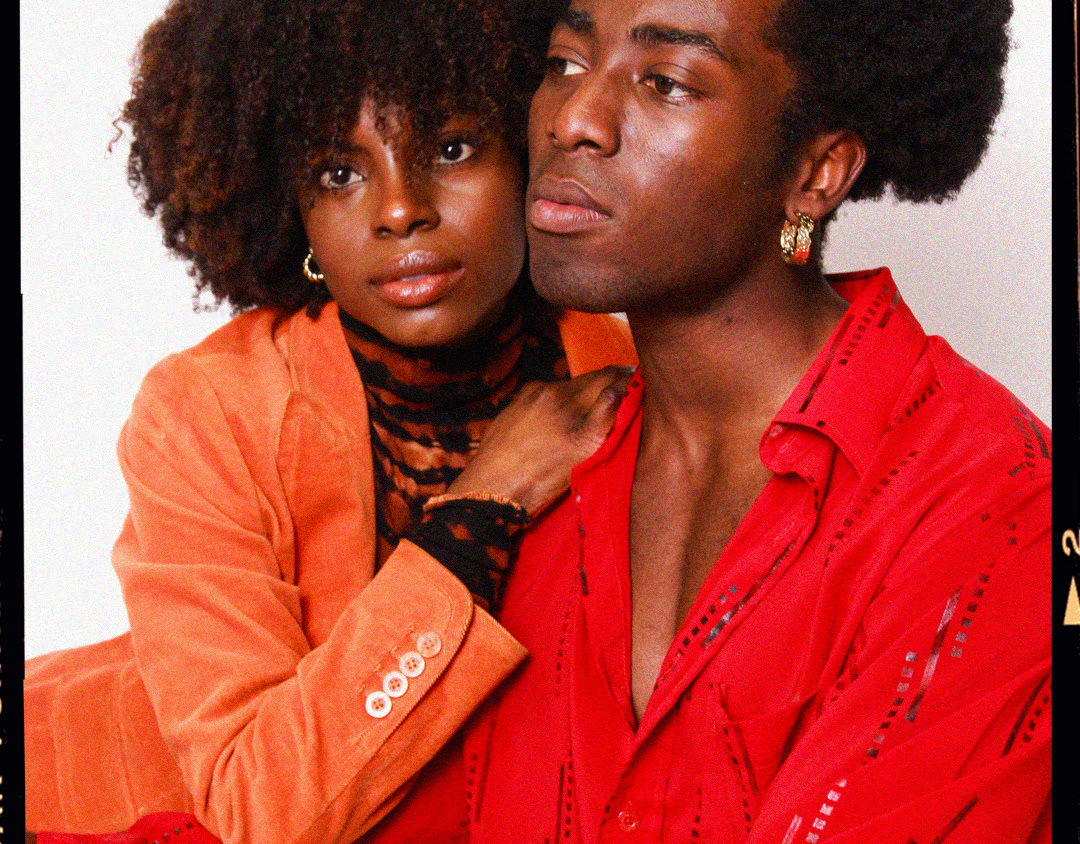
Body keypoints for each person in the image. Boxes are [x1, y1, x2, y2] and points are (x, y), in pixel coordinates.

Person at [23, 0, 634, 841]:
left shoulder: (611, 361)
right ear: (295, 211)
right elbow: (259, 815)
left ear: (530, 151)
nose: (399, 210)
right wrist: (481, 507)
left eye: (450, 149)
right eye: (341, 173)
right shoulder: (204, 412)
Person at [446, 0, 1051, 841]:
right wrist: (461, 527)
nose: (573, 120)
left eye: (667, 82)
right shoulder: (529, 481)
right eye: (564, 64)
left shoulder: (993, 505)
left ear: (816, 172)